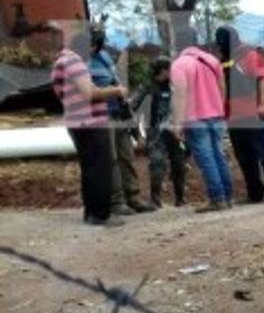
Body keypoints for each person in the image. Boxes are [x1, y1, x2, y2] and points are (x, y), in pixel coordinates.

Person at [51, 25, 128, 226]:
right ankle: (101, 215)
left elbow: (62, 94)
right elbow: (89, 93)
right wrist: (116, 91)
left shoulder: (61, 61)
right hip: (90, 122)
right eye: (95, 49)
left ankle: (91, 212)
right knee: (100, 169)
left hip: (75, 120)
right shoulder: (74, 62)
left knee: (90, 168)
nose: (93, 54)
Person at [216, 26, 264, 204]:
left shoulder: (250, 56)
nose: (221, 45)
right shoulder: (225, 61)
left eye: (224, 42)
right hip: (234, 117)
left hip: (253, 113)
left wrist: (263, 105)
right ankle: (255, 192)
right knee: (244, 157)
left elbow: (263, 80)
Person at [87, 23, 154, 214]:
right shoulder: (82, 62)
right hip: (101, 113)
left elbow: (116, 80)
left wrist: (125, 104)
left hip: (118, 110)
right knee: (111, 159)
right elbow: (89, 91)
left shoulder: (104, 56)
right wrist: (115, 91)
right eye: (96, 37)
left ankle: (133, 196)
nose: (100, 41)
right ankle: (116, 201)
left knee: (127, 156)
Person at [170, 25, 234, 212]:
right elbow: (222, 88)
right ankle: (228, 197)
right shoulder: (212, 60)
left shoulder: (179, 65)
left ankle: (217, 199)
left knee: (206, 159)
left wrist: (177, 123)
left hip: (195, 119)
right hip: (216, 115)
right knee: (218, 155)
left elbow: (180, 95)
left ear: (178, 43)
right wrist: (219, 108)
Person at [130, 57, 187, 208]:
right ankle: (155, 200)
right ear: (163, 71)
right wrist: (137, 134)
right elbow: (131, 109)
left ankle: (180, 199)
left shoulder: (174, 86)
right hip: (155, 132)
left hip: (174, 130)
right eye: (171, 70)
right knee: (157, 163)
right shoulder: (147, 88)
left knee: (179, 163)